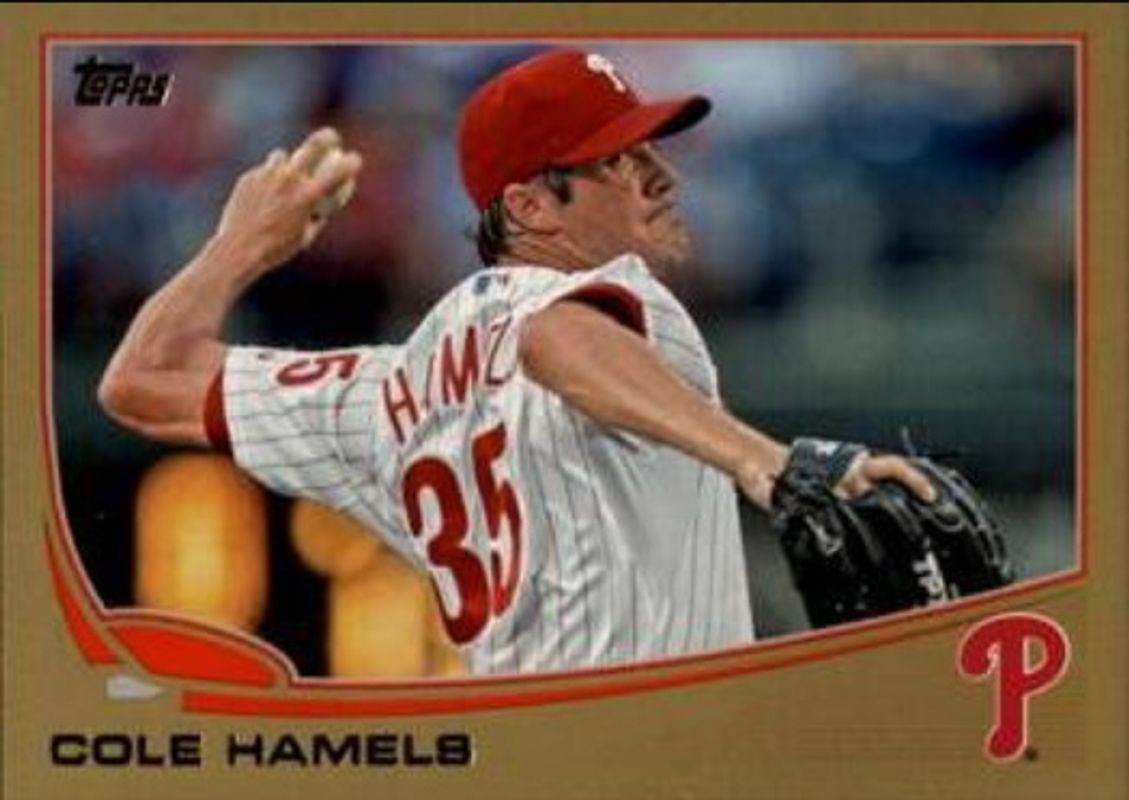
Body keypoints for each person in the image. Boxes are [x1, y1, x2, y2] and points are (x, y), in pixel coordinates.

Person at [99, 48, 935, 676]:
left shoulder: (391, 387)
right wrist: (765, 461)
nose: (658, 175)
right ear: (531, 207)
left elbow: (142, 383)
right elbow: (550, 339)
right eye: (617, 161)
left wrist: (237, 248)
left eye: (650, 149)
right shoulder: (603, 299)